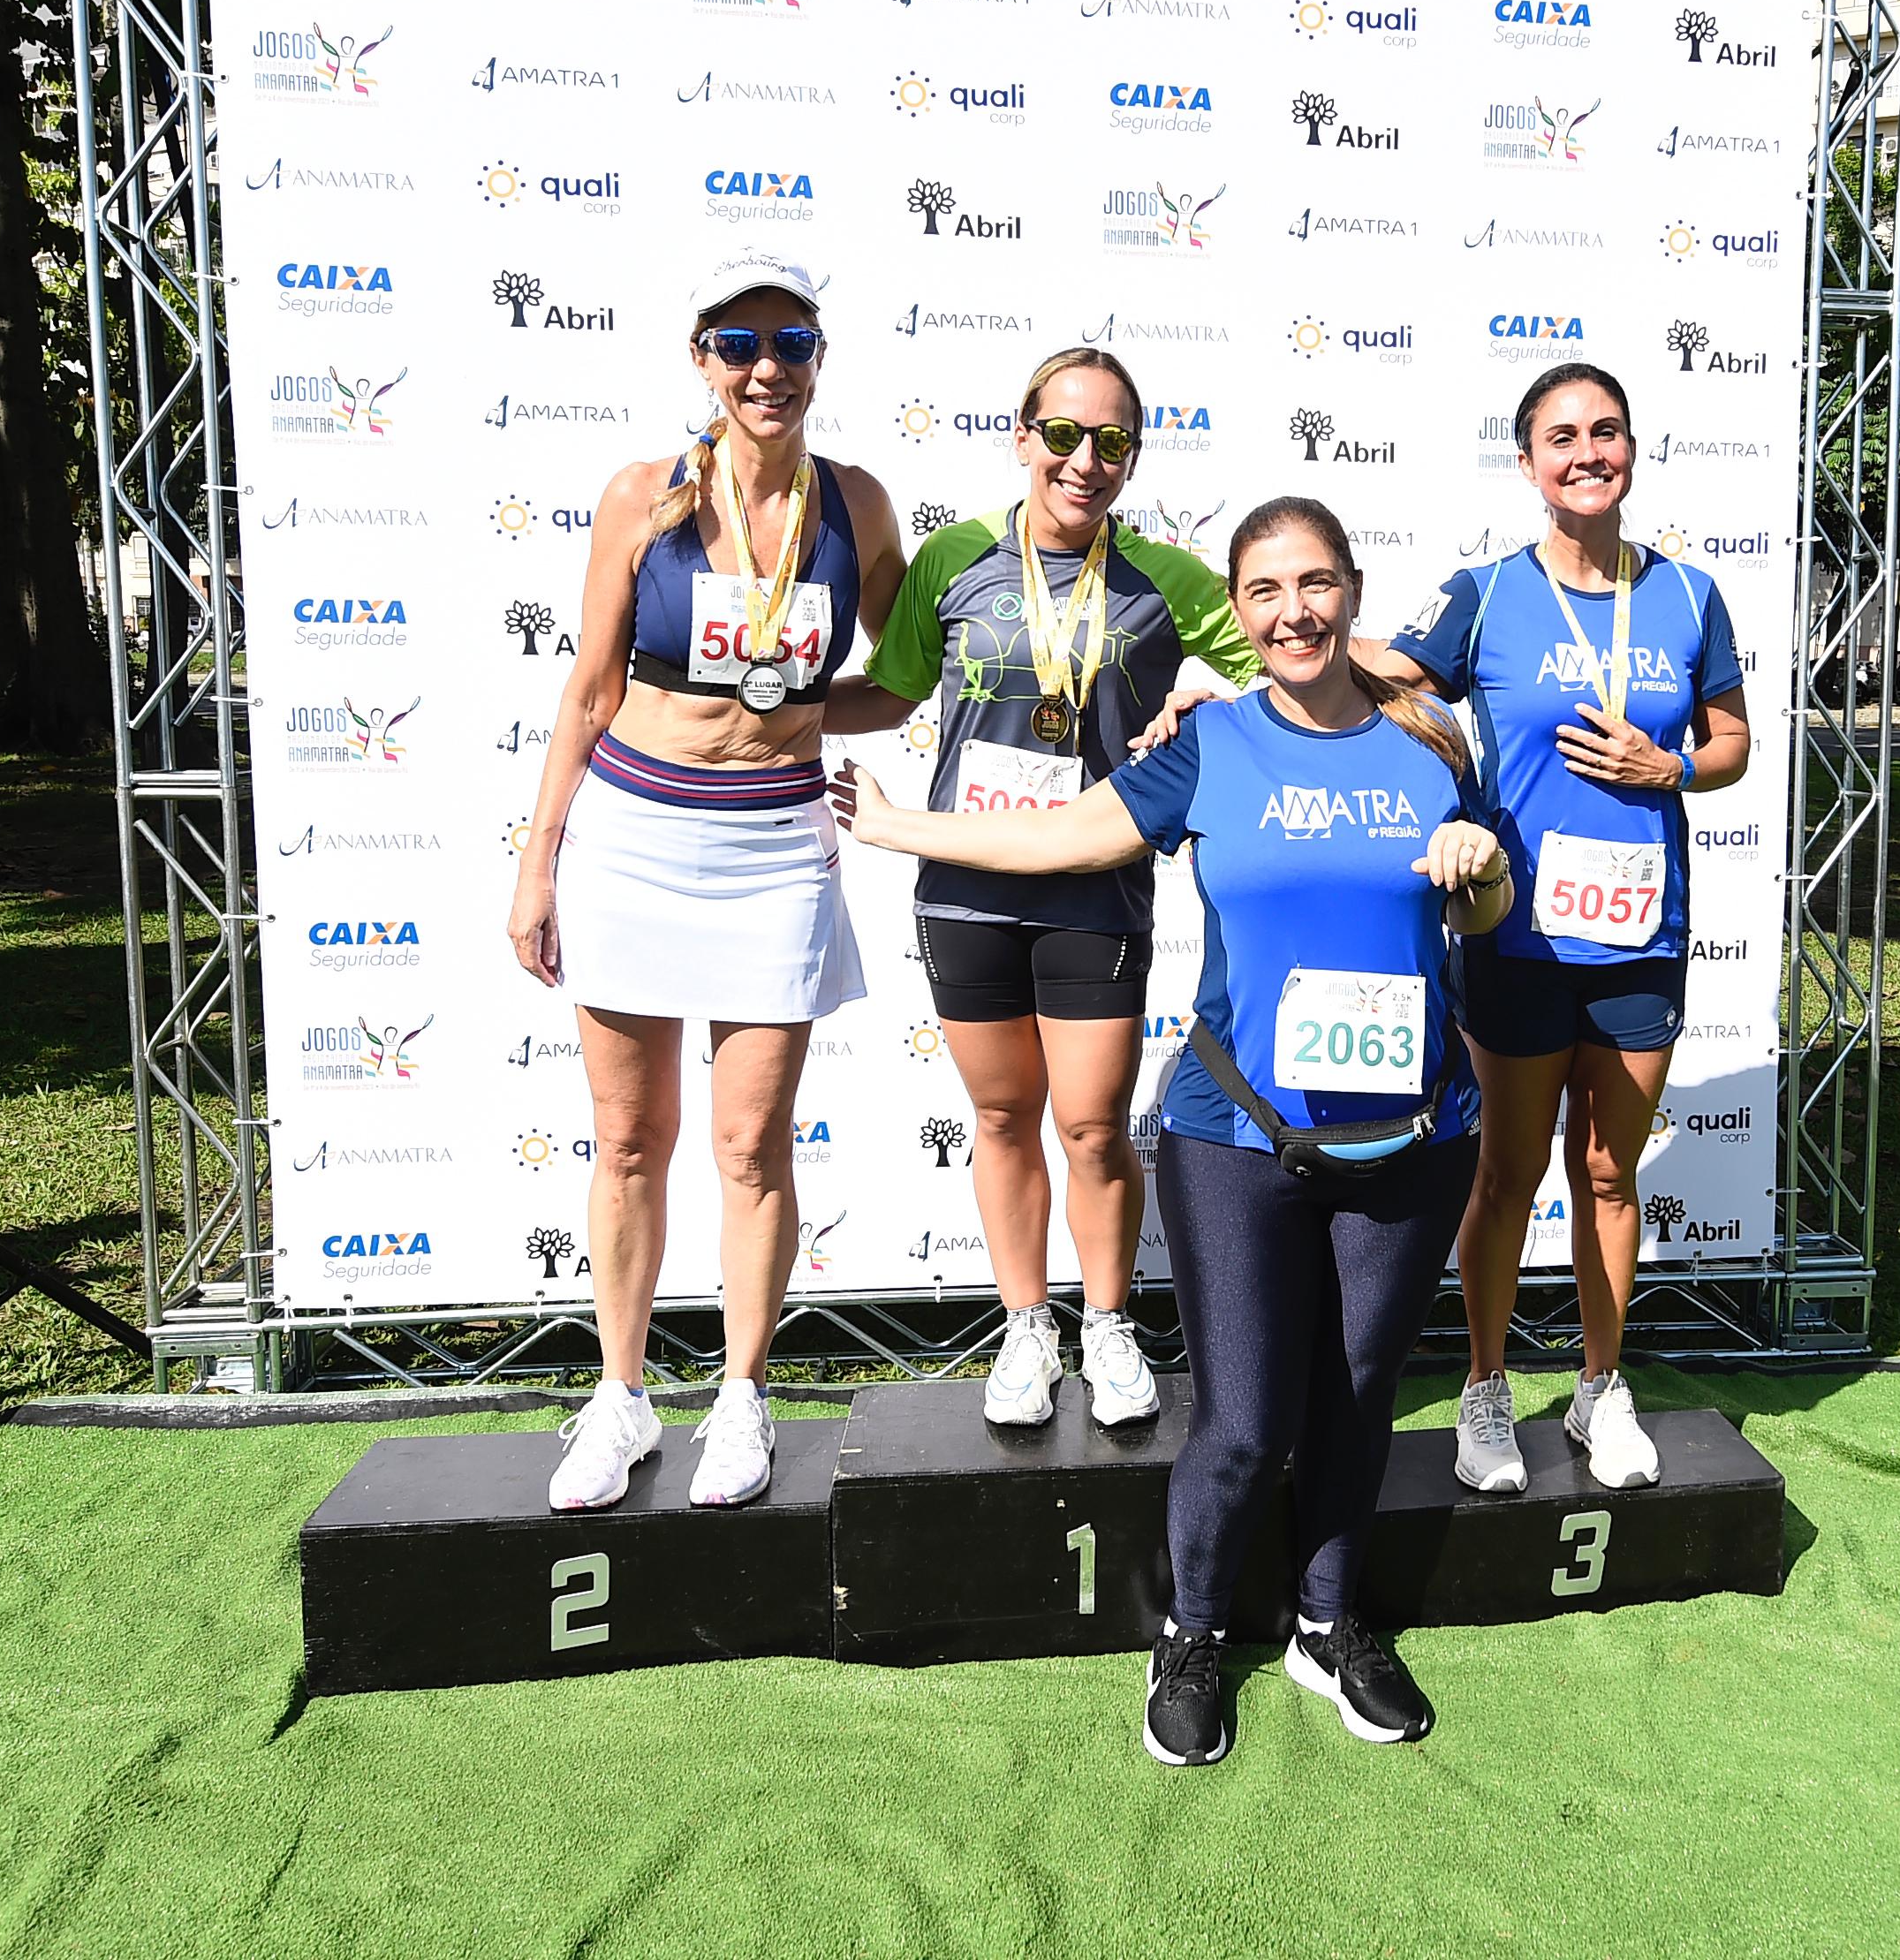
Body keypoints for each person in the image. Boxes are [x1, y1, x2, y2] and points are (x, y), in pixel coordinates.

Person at [835, 499, 1510, 1767]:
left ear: (1353, 592)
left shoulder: (1431, 738)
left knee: (1361, 1404)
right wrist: (898, 826)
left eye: (1316, 585)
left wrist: (1479, 870)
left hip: (1416, 1142)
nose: (1293, 612)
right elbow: (1066, 838)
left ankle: (1327, 1623)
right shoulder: (1211, 745)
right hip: (1237, 1136)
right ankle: (1193, 1632)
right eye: (1264, 591)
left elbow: (1484, 907)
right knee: (1248, 1422)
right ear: (1241, 612)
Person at [505, 252, 905, 1514]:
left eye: (790, 341)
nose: (766, 368)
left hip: (773, 844)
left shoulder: (859, 507)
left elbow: (899, 675)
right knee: (630, 1139)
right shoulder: (643, 495)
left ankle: (741, 1399)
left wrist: (798, 704)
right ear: (701, 361)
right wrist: (537, 862)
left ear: (819, 355)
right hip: (632, 835)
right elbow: (587, 689)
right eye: (738, 346)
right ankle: (620, 1398)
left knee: (750, 1142)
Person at [826, 349, 1257, 1428]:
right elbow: (893, 687)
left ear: (1134, 458)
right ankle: (1026, 1323)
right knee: (1003, 1114)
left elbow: (1279, 675)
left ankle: (1108, 1322)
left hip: (1095, 884)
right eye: (1062, 434)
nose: (1084, 459)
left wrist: (1199, 706)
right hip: (965, 884)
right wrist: (761, 711)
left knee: (1095, 1126)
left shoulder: (1172, 580)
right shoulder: (956, 556)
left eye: (1112, 441)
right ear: (1022, 436)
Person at [1367, 362, 1750, 1495]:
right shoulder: (1483, 594)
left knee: (1609, 1173)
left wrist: (1668, 762)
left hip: (1641, 934)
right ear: (1528, 459)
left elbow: (1730, 745)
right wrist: (1231, 685)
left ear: (1632, 448)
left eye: (1608, 431)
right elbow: (1370, 678)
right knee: (1506, 1171)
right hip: (1516, 938)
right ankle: (1486, 1389)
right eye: (1563, 435)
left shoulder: (1687, 595)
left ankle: (1596, 1387)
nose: (1589, 452)